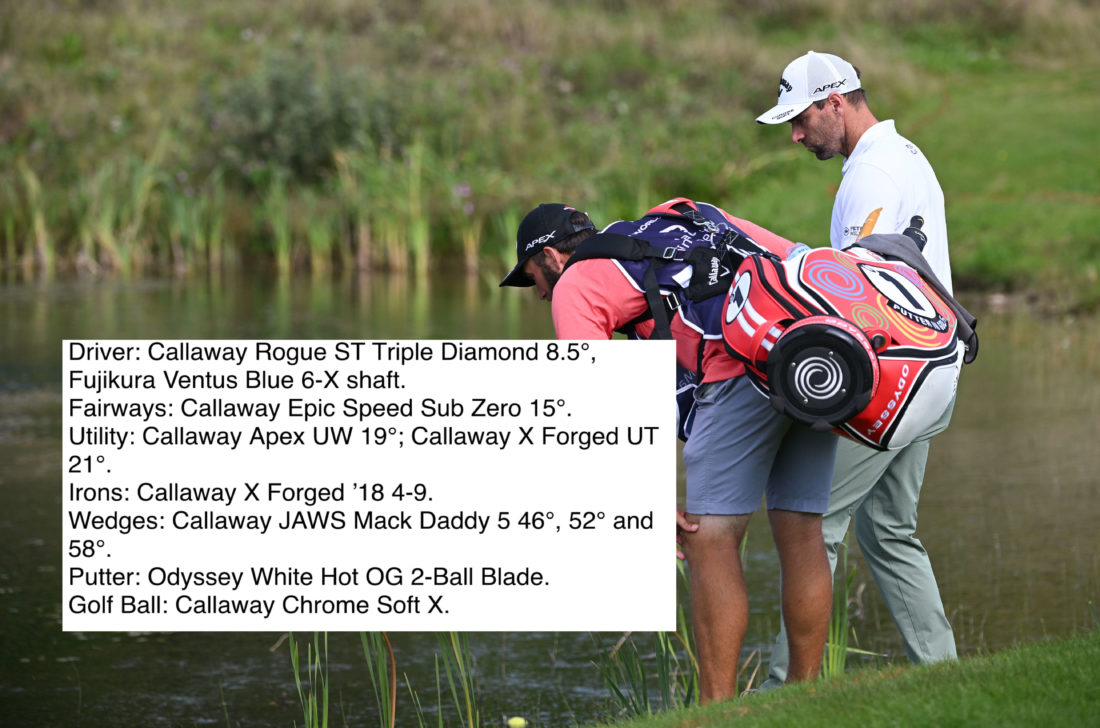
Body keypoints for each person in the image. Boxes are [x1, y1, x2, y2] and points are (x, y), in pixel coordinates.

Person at [500, 199, 838, 702]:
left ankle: (714, 710)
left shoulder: (576, 284)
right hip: (810, 357)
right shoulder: (678, 217)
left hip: (736, 370)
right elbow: (799, 259)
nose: (542, 295)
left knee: (711, 541)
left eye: (535, 279)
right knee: (801, 530)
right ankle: (807, 697)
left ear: (550, 256)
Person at [755, 50, 958, 685]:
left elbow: (852, 301)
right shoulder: (907, 155)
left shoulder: (869, 177)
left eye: (801, 119)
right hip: (934, 373)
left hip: (892, 384)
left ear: (835, 103)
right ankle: (943, 672)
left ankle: (784, 691)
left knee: (808, 517)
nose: (795, 135)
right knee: (890, 530)